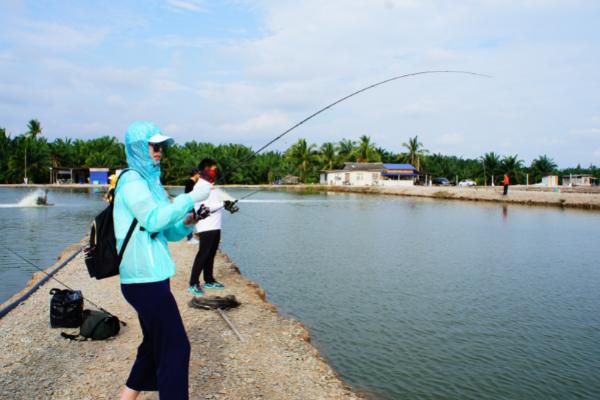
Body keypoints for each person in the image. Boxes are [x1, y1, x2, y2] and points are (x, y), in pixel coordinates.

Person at [113, 121, 211, 400]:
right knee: (176, 348)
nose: (160, 152)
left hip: (155, 276)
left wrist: (187, 220)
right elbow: (152, 218)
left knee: (154, 345)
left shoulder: (150, 183)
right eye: (154, 146)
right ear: (138, 148)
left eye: (162, 147)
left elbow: (166, 230)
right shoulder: (132, 181)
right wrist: (190, 196)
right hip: (142, 280)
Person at [188, 158, 237, 295]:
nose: (214, 172)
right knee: (203, 254)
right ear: (204, 170)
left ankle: (209, 280)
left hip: (216, 225)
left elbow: (219, 200)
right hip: (206, 226)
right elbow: (204, 208)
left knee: (211, 254)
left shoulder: (212, 186)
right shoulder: (200, 187)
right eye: (212, 170)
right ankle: (193, 283)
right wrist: (223, 204)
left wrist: (229, 203)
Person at [183, 168, 201, 243]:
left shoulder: (191, 182)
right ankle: (190, 238)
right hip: (190, 204)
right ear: (195, 174)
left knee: (193, 220)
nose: (199, 175)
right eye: (199, 174)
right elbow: (191, 195)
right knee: (191, 220)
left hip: (190, 204)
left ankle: (191, 237)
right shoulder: (191, 183)